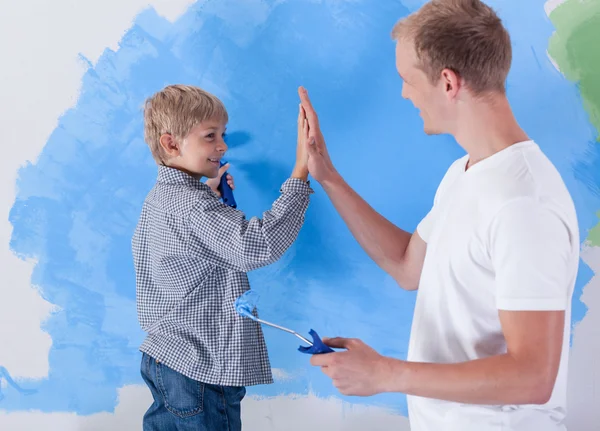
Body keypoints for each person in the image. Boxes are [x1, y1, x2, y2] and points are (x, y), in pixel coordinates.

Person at [299, 0, 580, 430]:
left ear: (448, 82)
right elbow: (408, 267)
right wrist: (328, 176)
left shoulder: (524, 203)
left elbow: (533, 376)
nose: (404, 93)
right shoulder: (465, 173)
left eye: (407, 80)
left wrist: (385, 374)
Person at [132, 84, 313, 430]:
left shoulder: (161, 199)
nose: (223, 146)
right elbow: (257, 246)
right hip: (200, 368)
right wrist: (301, 173)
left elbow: (190, 246)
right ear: (171, 144)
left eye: (223, 134)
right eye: (210, 136)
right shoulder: (193, 206)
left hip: (165, 357)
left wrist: (209, 197)